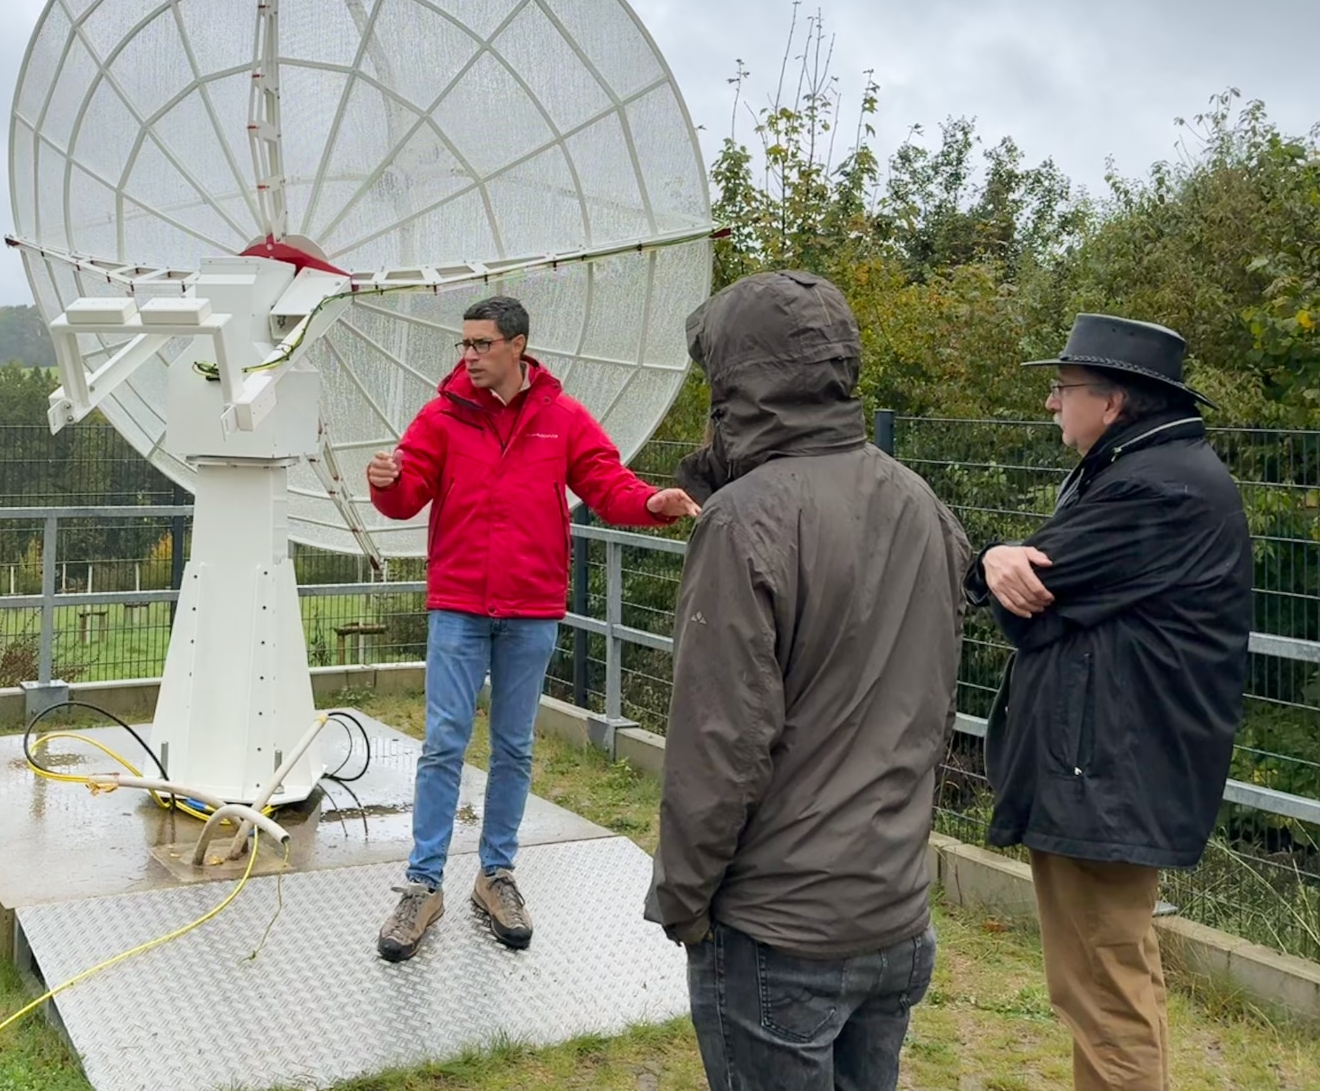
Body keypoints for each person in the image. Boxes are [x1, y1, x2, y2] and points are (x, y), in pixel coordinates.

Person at [646, 270, 967, 1091]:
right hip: (894, 913)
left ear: (736, 380)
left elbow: (720, 745)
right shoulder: (922, 504)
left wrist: (682, 898)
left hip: (779, 931)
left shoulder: (742, 521)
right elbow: (930, 707)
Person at [368, 294, 697, 961]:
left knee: (514, 748)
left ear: (518, 346)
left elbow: (607, 485)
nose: (470, 356)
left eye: (482, 345)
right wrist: (386, 481)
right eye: (465, 345)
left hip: (530, 611)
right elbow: (408, 497)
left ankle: (496, 876)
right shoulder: (440, 417)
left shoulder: (562, 419)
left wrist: (653, 504)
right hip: (459, 606)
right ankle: (422, 885)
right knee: (442, 744)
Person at [971, 314, 1250, 1091]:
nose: (1052, 406)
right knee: (1109, 983)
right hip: (1105, 768)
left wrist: (994, 565)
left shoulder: (1156, 488)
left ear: (1114, 402)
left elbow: (1028, 601)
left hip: (1106, 772)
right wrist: (996, 559)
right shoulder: (1148, 471)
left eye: (1063, 389)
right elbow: (1019, 579)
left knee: (1103, 992)